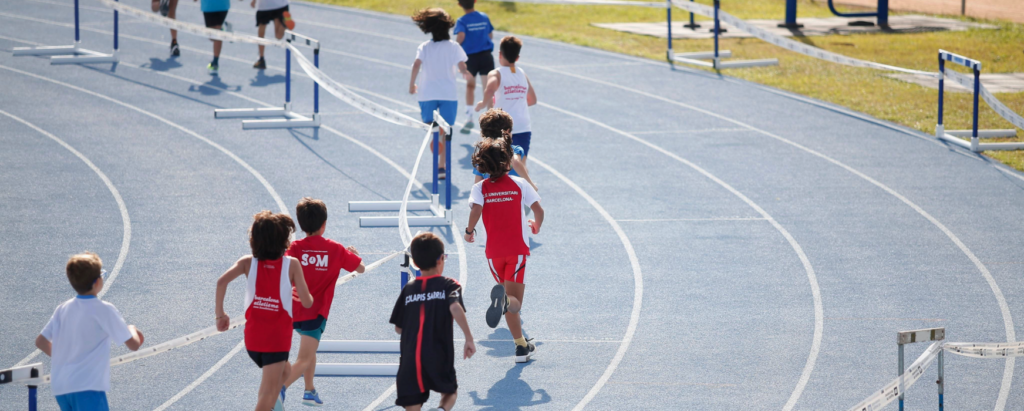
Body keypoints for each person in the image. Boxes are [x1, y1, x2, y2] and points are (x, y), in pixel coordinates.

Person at [215, 211, 313, 411]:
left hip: (253, 340)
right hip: (276, 341)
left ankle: (272, 404)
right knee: (269, 393)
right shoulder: (291, 264)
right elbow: (307, 302)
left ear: (254, 240)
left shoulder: (247, 262)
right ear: (284, 241)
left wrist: (220, 315)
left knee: (284, 372)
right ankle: (268, 405)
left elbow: (221, 281)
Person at [464, 135, 544, 363]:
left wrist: (469, 231)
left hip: (493, 253)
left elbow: (476, 210)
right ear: (508, 162)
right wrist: (536, 226)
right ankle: (507, 304)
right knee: (513, 302)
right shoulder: (520, 184)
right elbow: (539, 210)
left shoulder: (480, 188)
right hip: (517, 251)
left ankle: (521, 346)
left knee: (505, 295)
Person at [35, 252, 145, 411]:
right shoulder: (104, 310)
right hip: (87, 386)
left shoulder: (63, 309)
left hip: (61, 386)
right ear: (97, 282)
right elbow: (133, 345)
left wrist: (67, 359)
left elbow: (41, 342)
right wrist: (132, 328)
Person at [281, 198, 365, 407]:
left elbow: (284, 272)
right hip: (315, 314)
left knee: (309, 353)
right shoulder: (335, 249)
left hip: (294, 312)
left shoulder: (295, 248)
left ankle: (309, 390)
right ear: (324, 224)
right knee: (304, 359)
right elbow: (360, 268)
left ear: (301, 225)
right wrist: (354, 255)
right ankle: (278, 390)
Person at [390, 232, 475, 411]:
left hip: (410, 359)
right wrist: (469, 338)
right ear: (441, 259)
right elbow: (455, 308)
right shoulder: (449, 285)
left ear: (414, 263)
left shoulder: (409, 289)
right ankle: (441, 410)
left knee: (412, 404)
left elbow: (399, 328)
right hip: (438, 355)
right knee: (450, 392)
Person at [409, 8, 473, 180]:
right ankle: (442, 166)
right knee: (447, 130)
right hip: (448, 94)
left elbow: (416, 65)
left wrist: (411, 85)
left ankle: (435, 134)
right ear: (448, 27)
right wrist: (465, 73)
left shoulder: (424, 47)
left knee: (432, 126)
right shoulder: (454, 47)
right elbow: (462, 66)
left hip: (427, 93)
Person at [476, 36, 537, 163]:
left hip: (500, 126)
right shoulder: (521, 73)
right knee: (520, 167)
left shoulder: (496, 73)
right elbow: (532, 100)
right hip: (522, 126)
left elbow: (490, 89)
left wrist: (482, 103)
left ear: (500, 54)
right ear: (517, 57)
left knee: (497, 165)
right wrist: (516, 101)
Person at [473, 109, 538, 193]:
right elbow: (516, 162)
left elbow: (477, 182)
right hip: (514, 197)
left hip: (492, 198)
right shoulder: (514, 150)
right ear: (507, 131)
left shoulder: (483, 154)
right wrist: (531, 185)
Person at [453, 0, 494, 134]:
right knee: (488, 88)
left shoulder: (462, 20)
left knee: (470, 86)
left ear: (459, 4)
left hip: (470, 58)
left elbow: (461, 35)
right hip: (486, 56)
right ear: (475, 2)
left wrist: (455, 47)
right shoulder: (484, 17)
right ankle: (491, 120)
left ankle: (469, 118)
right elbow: (490, 34)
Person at [251, 0, 296, 69]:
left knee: (261, 32)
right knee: (278, 36)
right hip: (281, 4)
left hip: (265, 6)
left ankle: (261, 58)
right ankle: (284, 24)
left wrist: (254, 1)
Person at [197, 0, 230, 72]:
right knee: (213, 36)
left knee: (215, 35)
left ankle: (215, 62)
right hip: (213, 5)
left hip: (215, 5)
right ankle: (222, 29)